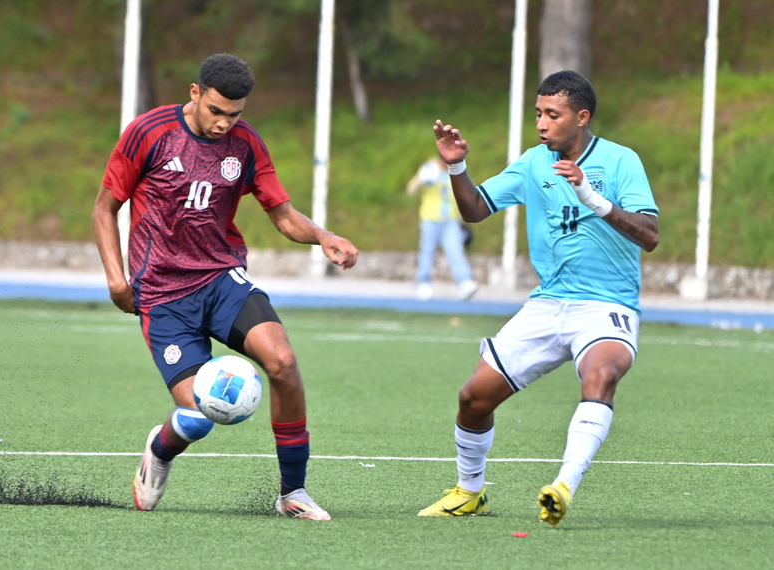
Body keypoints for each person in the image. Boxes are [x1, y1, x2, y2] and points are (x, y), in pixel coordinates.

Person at [92, 53, 358, 520]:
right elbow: (104, 208)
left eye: (234, 115)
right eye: (216, 112)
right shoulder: (149, 133)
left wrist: (323, 236)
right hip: (162, 294)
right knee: (198, 416)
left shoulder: (246, 144)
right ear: (195, 93)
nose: (223, 124)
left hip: (221, 278)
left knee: (284, 362)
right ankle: (160, 448)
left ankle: (292, 492)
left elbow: (283, 216)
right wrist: (117, 279)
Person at [417, 71, 659, 526]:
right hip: (548, 306)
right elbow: (475, 209)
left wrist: (593, 197)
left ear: (582, 117)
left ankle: (563, 487)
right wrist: (456, 167)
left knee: (600, 375)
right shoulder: (533, 163)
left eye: (553, 114)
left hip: (606, 306)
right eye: (538, 114)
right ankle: (470, 492)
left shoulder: (621, 161)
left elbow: (649, 235)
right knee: (473, 399)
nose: (542, 124)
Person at [407, 156, 478, 300]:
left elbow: (456, 199)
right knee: (427, 250)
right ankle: (424, 282)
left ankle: (464, 281)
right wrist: (423, 173)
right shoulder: (431, 171)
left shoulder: (453, 175)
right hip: (430, 218)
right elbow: (412, 189)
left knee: (455, 250)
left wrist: (461, 221)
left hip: (450, 220)